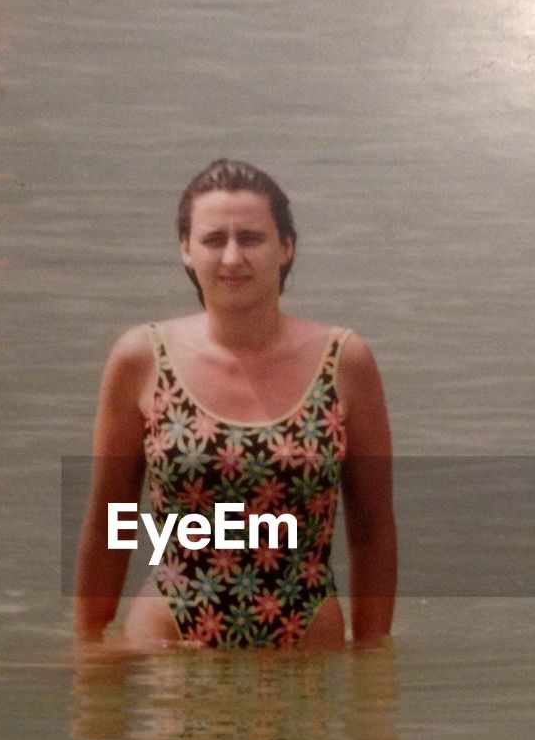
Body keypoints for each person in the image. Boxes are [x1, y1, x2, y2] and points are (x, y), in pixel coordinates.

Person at [74, 158, 396, 649]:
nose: (231, 258)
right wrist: (89, 647)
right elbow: (110, 522)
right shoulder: (142, 359)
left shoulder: (344, 361)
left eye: (250, 238)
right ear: (185, 249)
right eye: (212, 239)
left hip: (303, 646)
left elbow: (371, 531)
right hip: (169, 646)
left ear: (286, 248)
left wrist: (372, 665)